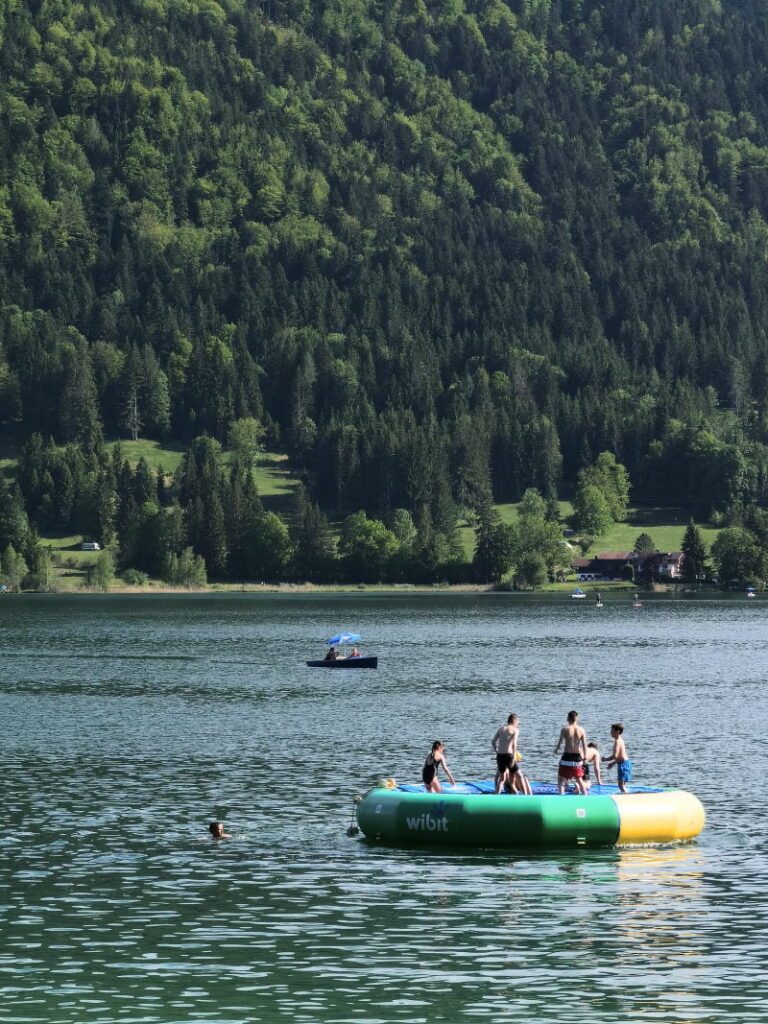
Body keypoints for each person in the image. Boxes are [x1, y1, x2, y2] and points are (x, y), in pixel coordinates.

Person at [554, 710, 588, 794]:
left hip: (567, 757)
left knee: (561, 779)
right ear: (577, 719)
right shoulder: (582, 730)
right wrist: (585, 758)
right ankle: (585, 796)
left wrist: (557, 749)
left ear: (568, 718)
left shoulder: (565, 729)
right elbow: (584, 746)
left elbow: (560, 743)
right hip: (577, 757)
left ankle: (561, 797)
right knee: (579, 779)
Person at [492, 713, 522, 794]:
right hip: (508, 756)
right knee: (520, 776)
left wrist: (497, 751)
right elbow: (514, 744)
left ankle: (497, 795)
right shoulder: (515, 730)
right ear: (514, 721)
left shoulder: (501, 729)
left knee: (502, 779)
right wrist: (513, 757)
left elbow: (493, 742)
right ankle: (526, 796)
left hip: (500, 756)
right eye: (517, 722)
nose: (518, 724)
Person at [603, 723, 632, 793]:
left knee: (620, 785)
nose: (610, 732)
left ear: (617, 731)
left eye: (612, 730)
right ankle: (626, 795)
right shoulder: (620, 740)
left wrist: (605, 759)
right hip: (625, 763)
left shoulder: (617, 741)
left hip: (623, 764)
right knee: (622, 785)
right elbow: (620, 756)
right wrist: (613, 763)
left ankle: (627, 797)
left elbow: (615, 756)